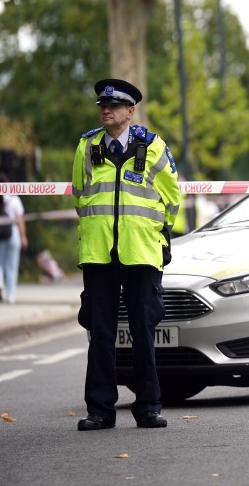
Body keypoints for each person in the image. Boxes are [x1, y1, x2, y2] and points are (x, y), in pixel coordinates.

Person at [73, 78, 181, 432]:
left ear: (130, 111)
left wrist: (156, 234)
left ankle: (148, 407)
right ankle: (100, 410)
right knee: (100, 333)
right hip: (99, 253)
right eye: (103, 106)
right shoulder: (87, 147)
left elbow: (172, 199)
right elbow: (79, 194)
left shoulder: (153, 147)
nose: (107, 110)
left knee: (142, 331)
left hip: (141, 253)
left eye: (115, 106)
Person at [0, 172, 28, 304]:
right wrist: (23, 236)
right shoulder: (14, 199)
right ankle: (11, 295)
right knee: (12, 265)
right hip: (12, 232)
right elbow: (20, 220)